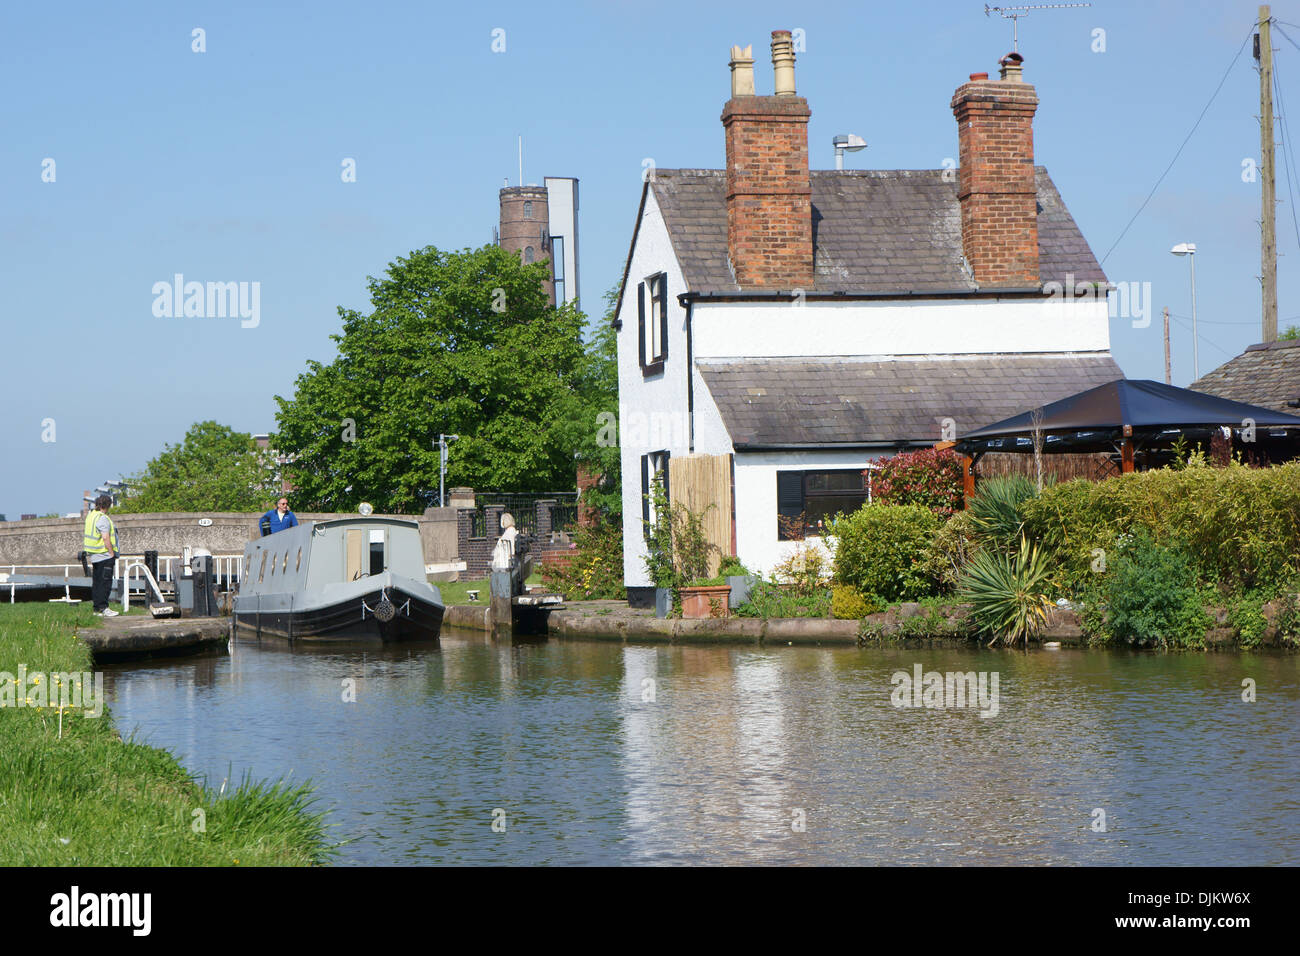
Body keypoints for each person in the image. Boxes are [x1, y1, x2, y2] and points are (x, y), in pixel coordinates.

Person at [83, 494, 119, 617]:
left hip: (94, 555)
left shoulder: (91, 516)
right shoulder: (102, 518)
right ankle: (104, 607)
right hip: (104, 555)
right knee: (105, 583)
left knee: (97, 583)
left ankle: (97, 608)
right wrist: (111, 553)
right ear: (108, 505)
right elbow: (105, 537)